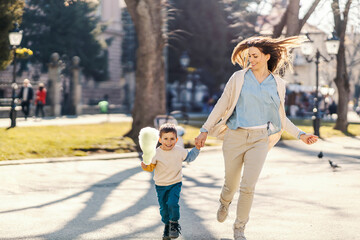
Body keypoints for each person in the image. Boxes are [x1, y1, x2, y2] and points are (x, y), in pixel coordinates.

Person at [195, 36, 318, 240]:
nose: (250, 59)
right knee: (231, 185)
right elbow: (222, 104)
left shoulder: (278, 84)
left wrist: (301, 134)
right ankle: (224, 202)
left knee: (248, 186)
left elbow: (280, 116)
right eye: (249, 55)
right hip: (235, 136)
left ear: (267, 57)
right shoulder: (238, 78)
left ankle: (239, 228)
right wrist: (204, 129)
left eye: (255, 56)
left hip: (260, 139)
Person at [141, 123, 201, 240]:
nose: (169, 142)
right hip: (161, 185)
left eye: (172, 139)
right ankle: (167, 225)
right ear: (160, 139)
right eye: (166, 139)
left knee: (172, 204)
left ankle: (174, 223)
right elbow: (150, 167)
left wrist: (197, 148)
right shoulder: (156, 153)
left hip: (175, 183)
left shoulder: (179, 151)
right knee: (163, 209)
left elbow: (190, 157)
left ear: (176, 139)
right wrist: (144, 165)